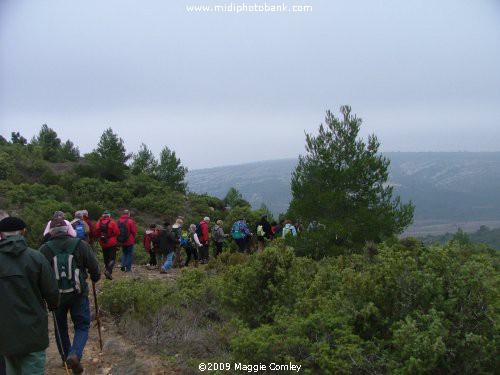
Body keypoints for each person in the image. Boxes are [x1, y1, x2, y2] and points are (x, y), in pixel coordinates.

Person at [39, 218, 100, 374]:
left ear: (50, 231)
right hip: (78, 293)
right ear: (67, 230)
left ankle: (66, 359)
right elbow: (94, 266)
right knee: (82, 325)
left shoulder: (45, 249)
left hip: (55, 295)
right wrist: (95, 277)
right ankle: (75, 354)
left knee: (60, 328)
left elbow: (39, 274)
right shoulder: (80, 245)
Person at [0, 216, 59, 375]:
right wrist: (53, 305)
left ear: (1, 235)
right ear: (23, 232)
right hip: (33, 331)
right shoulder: (36, 257)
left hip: (5, 334)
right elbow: (52, 292)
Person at [95, 210, 119, 280]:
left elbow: (96, 233)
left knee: (106, 257)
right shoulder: (112, 222)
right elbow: (117, 232)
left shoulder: (98, 223)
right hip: (111, 243)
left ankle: (107, 270)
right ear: (109, 216)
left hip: (103, 243)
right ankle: (108, 271)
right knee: (112, 258)